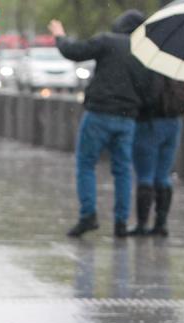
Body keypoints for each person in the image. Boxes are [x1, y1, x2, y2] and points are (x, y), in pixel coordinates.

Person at [48, 11, 150, 238]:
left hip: (100, 114)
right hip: (127, 119)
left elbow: (73, 52)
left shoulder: (107, 41)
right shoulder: (144, 51)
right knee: (123, 170)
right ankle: (121, 223)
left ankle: (88, 216)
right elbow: (148, 88)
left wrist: (59, 36)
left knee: (86, 164)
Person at [130, 72, 184, 237]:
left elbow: (147, 96)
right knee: (164, 175)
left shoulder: (150, 68)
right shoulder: (176, 68)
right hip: (173, 123)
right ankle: (161, 223)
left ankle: (142, 225)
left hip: (150, 123)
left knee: (145, 175)